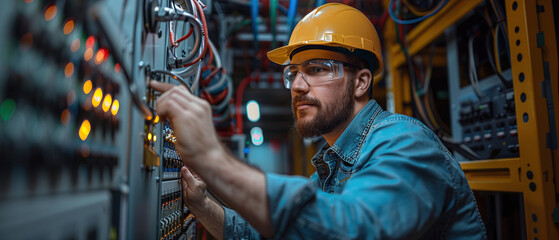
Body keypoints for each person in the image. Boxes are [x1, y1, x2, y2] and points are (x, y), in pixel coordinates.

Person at [149, 3, 487, 239]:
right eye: (294, 72)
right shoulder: (332, 164)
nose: (297, 85)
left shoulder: (405, 143)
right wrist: (203, 205)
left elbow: (353, 230)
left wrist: (213, 159)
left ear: (361, 82)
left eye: (317, 69)